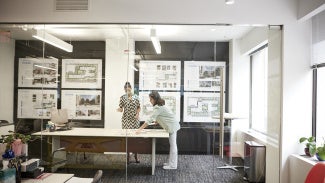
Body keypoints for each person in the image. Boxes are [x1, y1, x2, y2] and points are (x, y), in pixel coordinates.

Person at [136, 91, 180, 170]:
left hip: (172, 126)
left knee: (173, 146)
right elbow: (163, 115)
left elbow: (150, 119)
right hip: (172, 125)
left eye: (151, 99)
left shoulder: (158, 107)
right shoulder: (159, 106)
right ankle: (171, 162)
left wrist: (140, 129)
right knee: (173, 145)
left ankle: (173, 165)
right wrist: (158, 120)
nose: (150, 101)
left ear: (155, 99)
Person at [117, 82, 141, 163]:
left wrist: (137, 114)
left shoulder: (136, 97)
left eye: (128, 89)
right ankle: (128, 156)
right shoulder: (122, 98)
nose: (127, 90)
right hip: (126, 120)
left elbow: (139, 107)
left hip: (134, 120)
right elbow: (121, 108)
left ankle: (136, 155)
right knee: (127, 139)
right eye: (126, 89)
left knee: (135, 139)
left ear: (131, 88)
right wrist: (119, 110)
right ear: (124, 90)